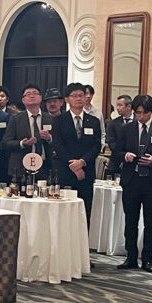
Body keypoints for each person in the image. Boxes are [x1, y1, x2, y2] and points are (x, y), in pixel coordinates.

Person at [113, 94, 152, 272]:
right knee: (130, 221)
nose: (141, 117)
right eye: (137, 113)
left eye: (144, 113)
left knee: (151, 222)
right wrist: (125, 155)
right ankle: (131, 257)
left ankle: (147, 259)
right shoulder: (126, 129)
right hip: (131, 181)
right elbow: (117, 151)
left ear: (151, 111)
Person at [51, 83, 101, 226]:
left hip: (87, 172)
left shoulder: (94, 121)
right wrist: (74, 166)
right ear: (67, 99)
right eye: (74, 96)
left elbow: (97, 146)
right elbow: (58, 146)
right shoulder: (59, 120)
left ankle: (84, 239)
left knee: (85, 211)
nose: (79, 99)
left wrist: (82, 162)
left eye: (81, 95)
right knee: (65, 212)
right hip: (66, 172)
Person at [2, 84, 52, 175]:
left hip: (45, 166)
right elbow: (6, 142)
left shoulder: (50, 118)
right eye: (28, 94)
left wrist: (49, 138)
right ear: (23, 100)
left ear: (40, 98)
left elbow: (59, 142)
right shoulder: (15, 119)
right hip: (21, 166)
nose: (32, 96)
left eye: (35, 93)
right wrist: (22, 143)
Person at [105, 94, 133, 176]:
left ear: (129, 106)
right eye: (117, 105)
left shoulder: (138, 122)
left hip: (133, 162)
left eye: (120, 105)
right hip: (116, 162)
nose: (117, 108)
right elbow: (112, 144)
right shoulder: (113, 123)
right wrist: (123, 157)